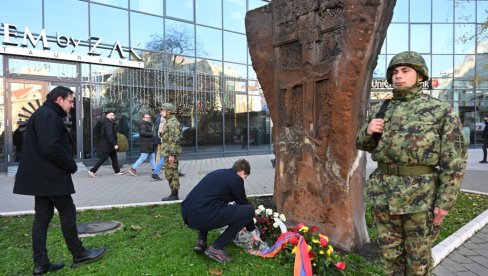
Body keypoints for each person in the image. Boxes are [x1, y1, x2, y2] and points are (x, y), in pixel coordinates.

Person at [356, 51, 468, 275]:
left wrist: (444, 202)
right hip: (384, 193)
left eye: (405, 71)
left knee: (418, 261)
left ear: (420, 76)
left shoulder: (440, 111)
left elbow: (454, 160)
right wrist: (367, 132)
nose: (398, 76)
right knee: (390, 257)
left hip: (421, 197)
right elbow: (363, 144)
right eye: (395, 72)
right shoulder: (381, 108)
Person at [13, 86, 106, 275]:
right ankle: (79, 254)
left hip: (42, 177)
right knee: (67, 211)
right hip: (51, 177)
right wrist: (71, 165)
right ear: (59, 99)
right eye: (70, 101)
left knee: (42, 217)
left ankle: (41, 263)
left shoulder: (43, 113)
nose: (72, 106)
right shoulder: (48, 115)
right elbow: (50, 147)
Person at [181, 159, 259, 264]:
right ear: (242, 172)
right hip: (201, 216)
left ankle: (201, 241)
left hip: (188, 213)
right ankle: (216, 248)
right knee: (248, 211)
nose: (243, 180)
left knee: (209, 205)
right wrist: (253, 234)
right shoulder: (236, 179)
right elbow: (244, 206)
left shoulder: (218, 173)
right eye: (245, 177)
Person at [88, 111, 125, 177]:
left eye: (114, 115)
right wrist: (114, 144)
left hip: (109, 145)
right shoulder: (108, 123)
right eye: (112, 115)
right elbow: (109, 135)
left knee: (114, 158)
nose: (114, 116)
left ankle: (117, 171)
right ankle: (92, 170)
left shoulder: (109, 122)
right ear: (108, 116)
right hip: (108, 145)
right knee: (103, 159)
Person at [160, 103, 183, 201]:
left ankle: (174, 195)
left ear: (168, 112)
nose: (161, 112)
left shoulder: (172, 123)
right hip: (168, 152)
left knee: (172, 173)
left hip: (170, 153)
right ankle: (173, 194)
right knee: (169, 173)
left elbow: (174, 140)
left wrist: (171, 155)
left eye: (163, 110)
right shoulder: (169, 122)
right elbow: (168, 138)